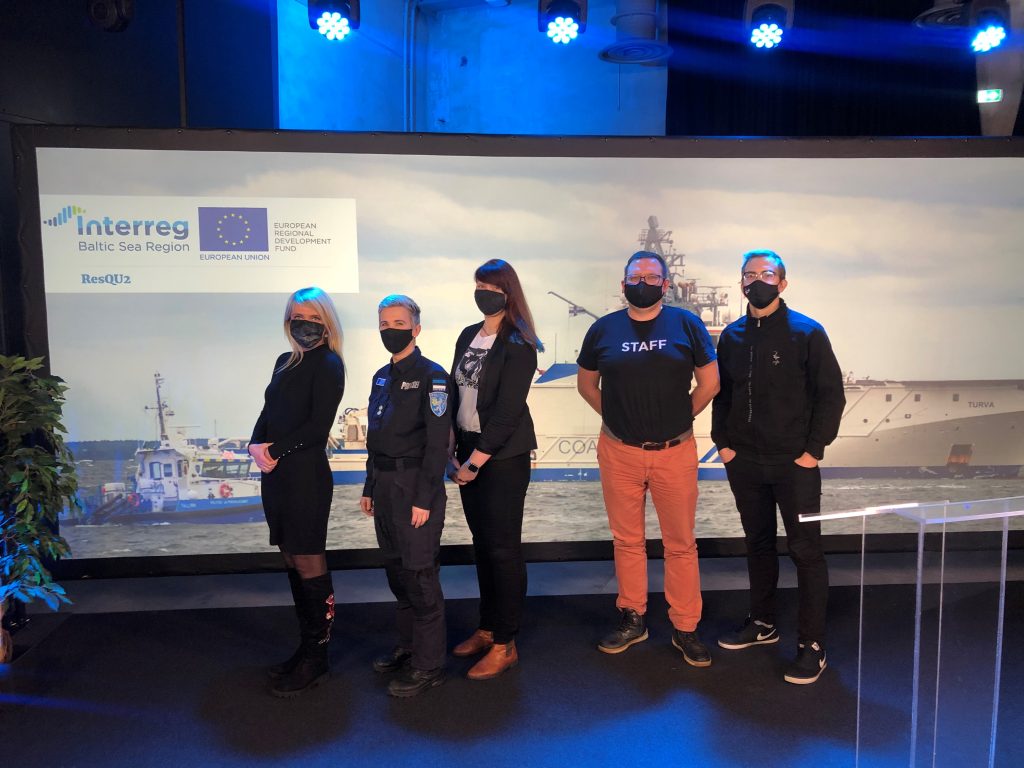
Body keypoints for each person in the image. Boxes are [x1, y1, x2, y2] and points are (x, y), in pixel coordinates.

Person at [576, 251, 719, 666]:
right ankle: (632, 617)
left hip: (674, 451)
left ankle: (686, 626)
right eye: (635, 277)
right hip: (619, 450)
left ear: (665, 283)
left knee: (680, 544)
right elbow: (587, 385)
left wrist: (680, 416)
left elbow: (709, 382)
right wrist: (618, 417)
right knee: (627, 540)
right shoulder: (603, 329)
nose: (643, 282)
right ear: (623, 285)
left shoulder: (686, 324)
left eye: (652, 276)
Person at [712, 249, 845, 685]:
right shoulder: (730, 336)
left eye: (767, 274)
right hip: (745, 461)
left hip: (795, 464)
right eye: (749, 275)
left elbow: (831, 395)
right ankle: (763, 623)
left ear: (783, 283)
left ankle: (812, 645)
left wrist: (813, 451)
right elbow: (723, 395)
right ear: (741, 284)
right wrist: (724, 444)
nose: (758, 281)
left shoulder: (808, 333)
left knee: (806, 552)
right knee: (758, 544)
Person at [249, 286, 345, 698]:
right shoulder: (284, 362)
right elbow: (268, 411)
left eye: (311, 316)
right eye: (295, 316)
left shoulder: (329, 365)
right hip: (278, 477)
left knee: (309, 562)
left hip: (305, 475)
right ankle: (305, 647)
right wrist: (256, 444)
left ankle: (317, 658)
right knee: (291, 559)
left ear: (326, 321)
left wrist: (275, 448)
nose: (303, 323)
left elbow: (316, 429)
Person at [448, 259, 542, 680]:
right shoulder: (469, 335)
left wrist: (475, 462)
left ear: (508, 292)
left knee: (504, 550)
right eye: (478, 285)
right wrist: (454, 449)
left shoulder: (519, 343)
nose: (482, 292)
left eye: (491, 286)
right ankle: (487, 628)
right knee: (482, 546)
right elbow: (455, 396)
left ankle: (506, 643)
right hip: (467, 451)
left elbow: (507, 413)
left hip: (501, 459)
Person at [360, 295, 451, 698]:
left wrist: (424, 498)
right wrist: (368, 486)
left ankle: (429, 665)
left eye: (397, 322)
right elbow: (374, 438)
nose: (389, 330)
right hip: (384, 485)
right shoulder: (381, 376)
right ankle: (409, 647)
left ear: (416, 328)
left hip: (415, 486)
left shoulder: (433, 377)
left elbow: (437, 445)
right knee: (397, 573)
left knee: (420, 575)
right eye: (383, 324)